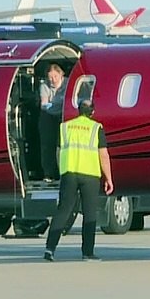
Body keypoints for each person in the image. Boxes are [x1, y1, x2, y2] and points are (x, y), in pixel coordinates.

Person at [43, 98, 113, 262]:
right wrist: (108, 177)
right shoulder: (96, 128)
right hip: (90, 175)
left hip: (69, 173)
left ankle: (50, 249)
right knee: (89, 213)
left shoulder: (65, 127)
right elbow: (103, 154)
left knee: (63, 211)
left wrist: (62, 171)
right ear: (92, 112)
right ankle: (87, 253)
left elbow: (58, 152)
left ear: (78, 111)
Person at [37, 63, 67, 181]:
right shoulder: (45, 86)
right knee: (47, 145)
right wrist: (58, 104)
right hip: (48, 116)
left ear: (61, 74)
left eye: (55, 76)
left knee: (62, 145)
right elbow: (44, 104)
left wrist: (53, 104)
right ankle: (48, 173)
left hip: (63, 116)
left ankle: (62, 172)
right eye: (50, 77)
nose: (52, 80)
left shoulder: (68, 83)